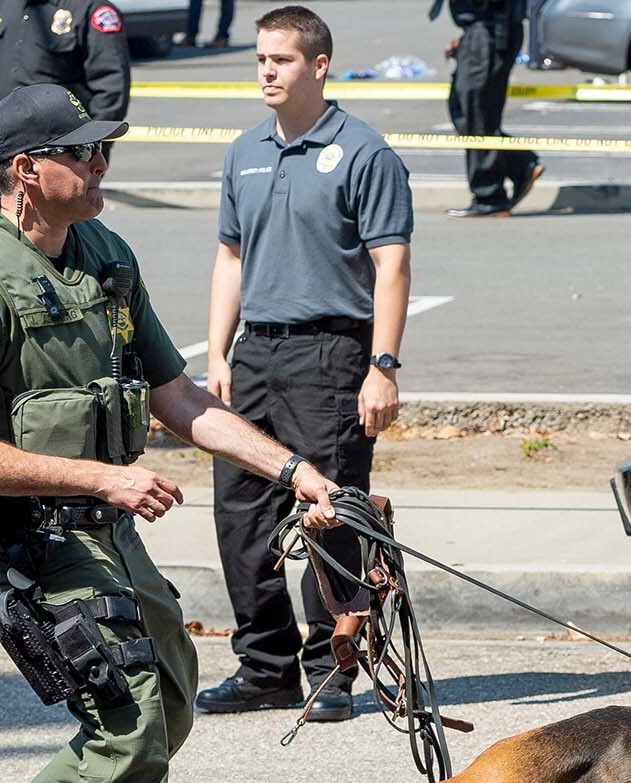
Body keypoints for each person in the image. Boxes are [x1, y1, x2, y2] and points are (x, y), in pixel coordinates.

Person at [0, 83, 341, 783]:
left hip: (106, 536)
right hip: (33, 538)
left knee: (169, 708)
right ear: (25, 171)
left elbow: (176, 394)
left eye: (104, 147)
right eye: (81, 151)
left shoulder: (105, 253)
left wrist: (291, 467)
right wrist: (101, 478)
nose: (100, 161)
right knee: (130, 716)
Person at [197, 5, 411, 724]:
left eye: (280, 60)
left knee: (331, 513)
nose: (265, 71)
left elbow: (391, 264)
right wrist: (217, 351)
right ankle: (265, 667)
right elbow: (230, 257)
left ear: (318, 65)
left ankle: (333, 668)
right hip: (255, 350)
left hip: (332, 352)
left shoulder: (363, 152)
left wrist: (382, 365)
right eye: (260, 58)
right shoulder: (244, 151)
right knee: (240, 515)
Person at [0, 0, 134, 220]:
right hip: (7, 154)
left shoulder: (90, 8)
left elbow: (110, 87)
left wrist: (89, 151)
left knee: (60, 235)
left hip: (63, 157)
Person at [439, 0, 544, 218]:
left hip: (489, 30)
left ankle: (490, 196)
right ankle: (520, 164)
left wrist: (478, 34)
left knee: (475, 115)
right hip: (483, 29)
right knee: (465, 109)